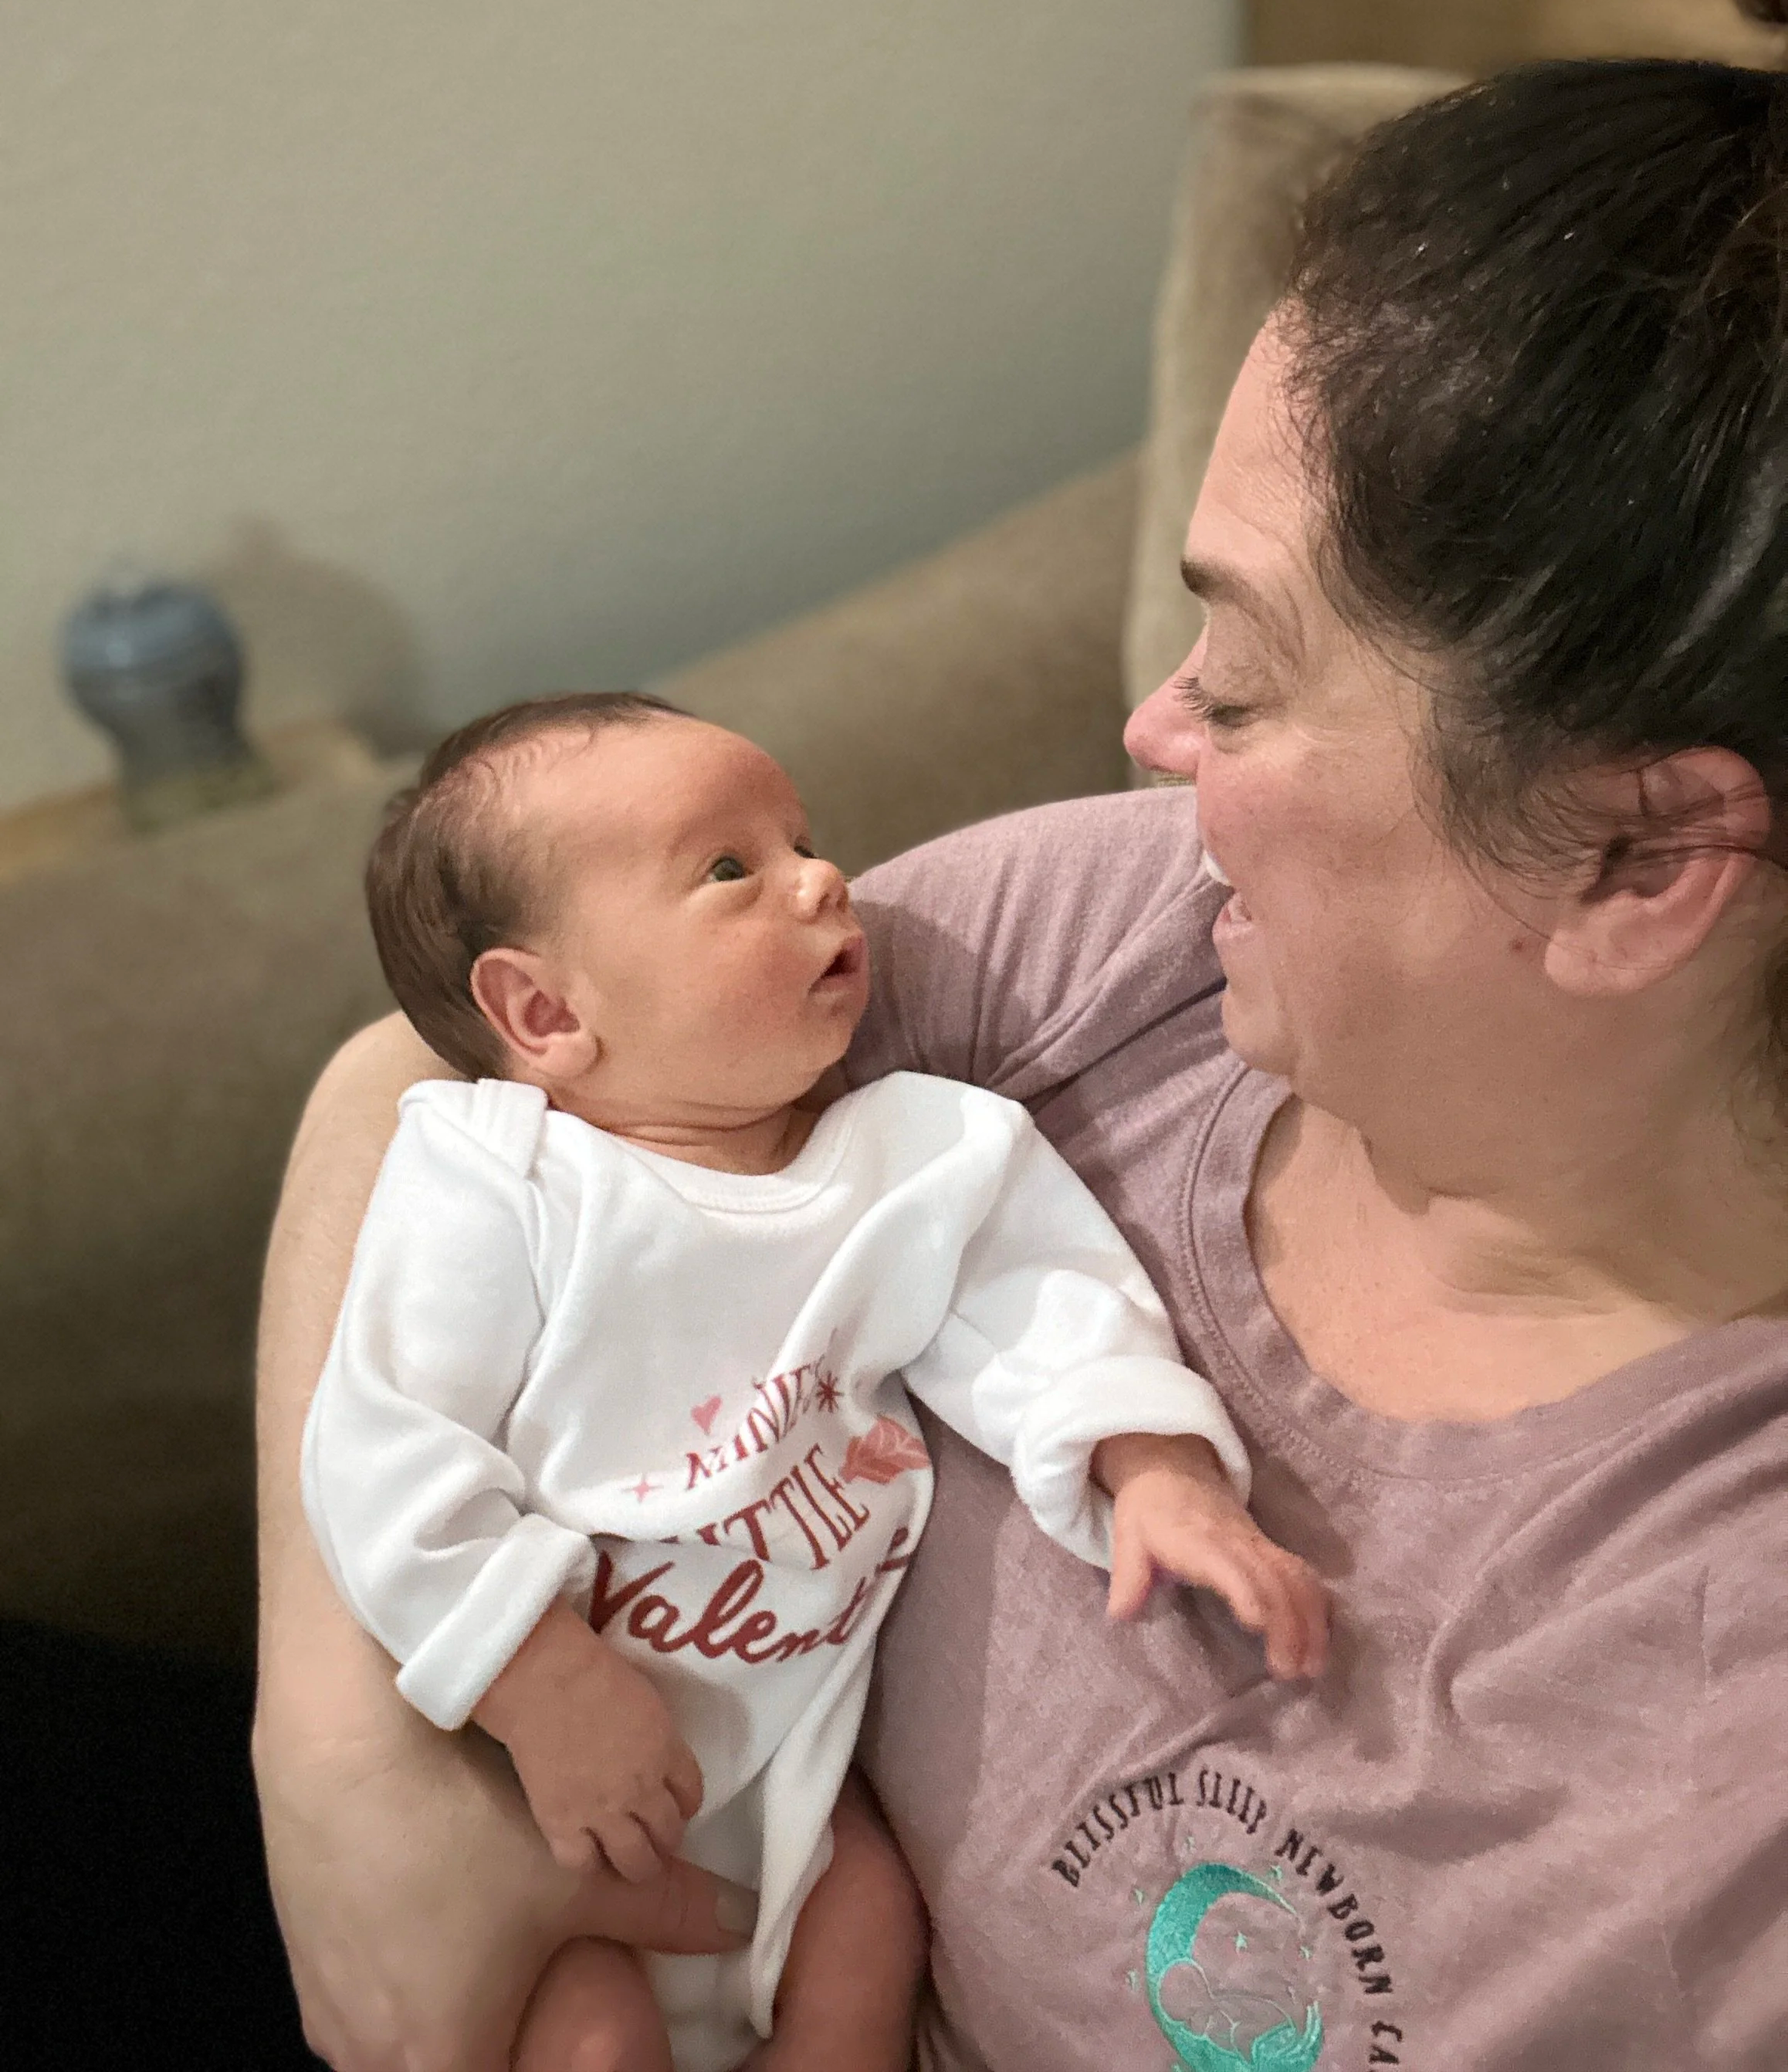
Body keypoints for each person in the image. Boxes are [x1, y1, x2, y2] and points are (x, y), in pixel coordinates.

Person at [255, 50, 1788, 2072]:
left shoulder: (1709, 1731)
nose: (1152, 732)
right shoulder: (1136, 933)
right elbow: (443, 1085)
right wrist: (342, 1761)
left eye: (1243, 682)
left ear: (1636, 853)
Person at [298, 692, 1322, 2072]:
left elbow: (1048, 1302)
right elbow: (383, 1446)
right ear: (543, 1010)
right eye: (730, 870)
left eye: (802, 839)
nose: (824, 878)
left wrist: (1156, 1469)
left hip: (789, 1769)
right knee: (590, 2032)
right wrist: (538, 1681)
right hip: (548, 1773)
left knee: (871, 1921)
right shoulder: (504, 1181)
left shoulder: (917, 1155)